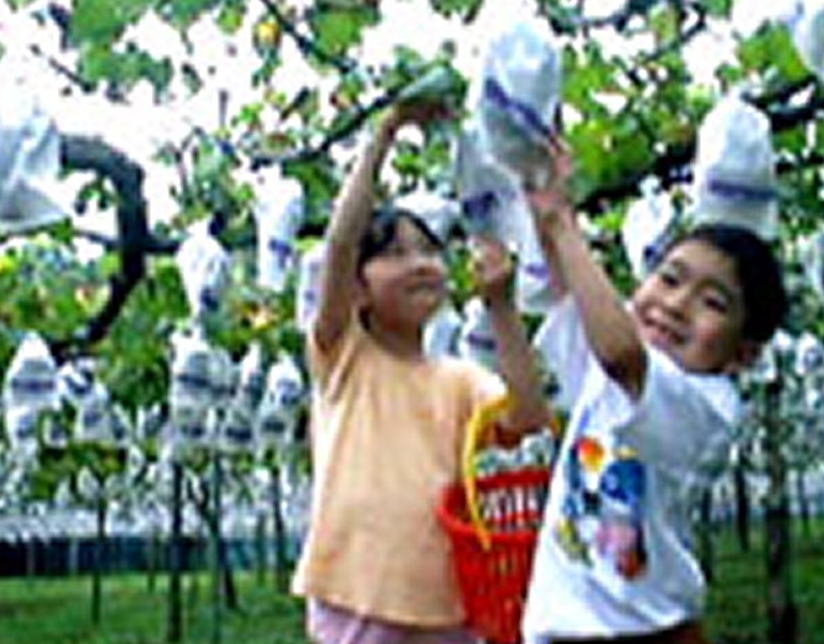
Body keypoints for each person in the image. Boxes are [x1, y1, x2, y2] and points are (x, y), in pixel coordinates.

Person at [292, 98, 551, 644]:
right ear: (358, 285)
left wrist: (502, 306)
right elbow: (340, 245)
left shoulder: (456, 378)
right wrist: (384, 134)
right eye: (396, 254)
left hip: (450, 597)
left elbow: (528, 416)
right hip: (354, 592)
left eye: (430, 253)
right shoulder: (343, 354)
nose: (420, 265)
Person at [519, 145, 788, 644]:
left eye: (712, 302)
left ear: (742, 354)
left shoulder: (707, 407)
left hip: (645, 632)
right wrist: (537, 162)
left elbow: (622, 353)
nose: (674, 304)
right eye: (668, 278)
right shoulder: (615, 365)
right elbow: (564, 293)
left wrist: (562, 223)